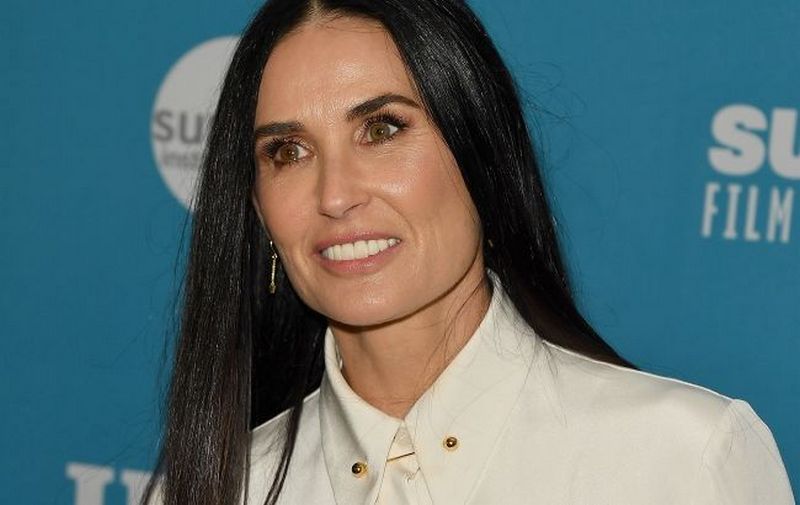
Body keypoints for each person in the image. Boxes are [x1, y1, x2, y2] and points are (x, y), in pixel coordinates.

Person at [143, 0, 795, 504]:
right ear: (257, 207)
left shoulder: (680, 460)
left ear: (481, 152)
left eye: (382, 128)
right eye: (288, 151)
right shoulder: (215, 490)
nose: (335, 195)